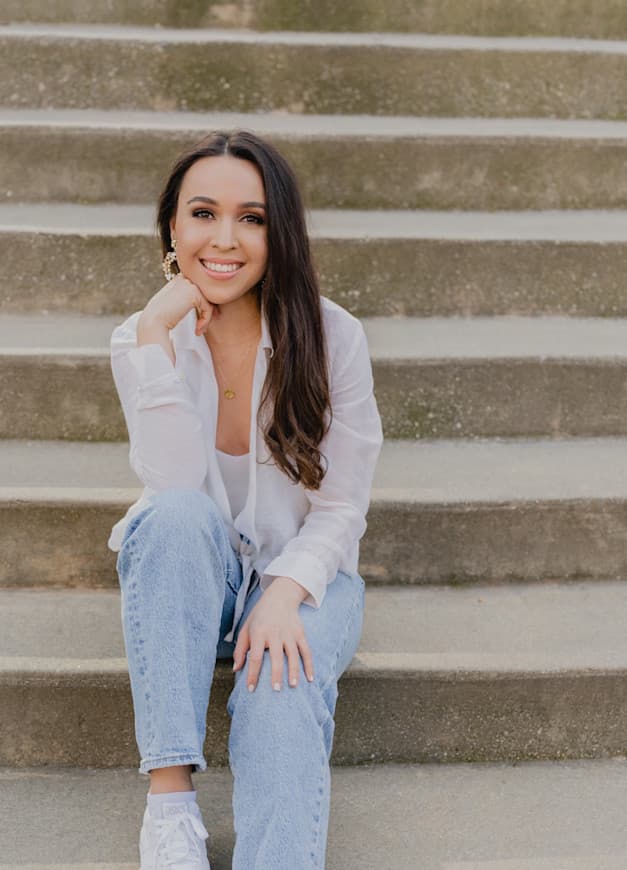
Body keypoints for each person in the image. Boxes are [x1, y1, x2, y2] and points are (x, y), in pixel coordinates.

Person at [107, 129, 383, 870]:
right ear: (173, 226)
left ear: (278, 231)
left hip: (306, 575)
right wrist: (159, 335)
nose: (224, 238)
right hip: (191, 575)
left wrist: (286, 592)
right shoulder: (140, 337)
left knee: (280, 689)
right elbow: (171, 482)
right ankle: (169, 808)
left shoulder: (333, 337)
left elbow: (342, 505)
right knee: (169, 515)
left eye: (252, 218)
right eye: (203, 213)